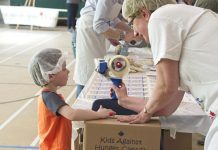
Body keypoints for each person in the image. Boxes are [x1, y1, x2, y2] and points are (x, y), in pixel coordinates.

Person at [111, 0, 218, 150]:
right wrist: (125, 101)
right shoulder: (177, 20)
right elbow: (167, 107)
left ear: (144, 13)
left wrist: (144, 114)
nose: (134, 33)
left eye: (131, 23)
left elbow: (166, 87)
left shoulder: (159, 18)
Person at [28, 48, 115, 150]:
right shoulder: (49, 97)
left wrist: (92, 112)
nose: (68, 71)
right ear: (51, 76)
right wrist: (98, 114)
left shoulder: (49, 95)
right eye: (64, 68)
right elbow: (72, 114)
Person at [73, 0, 138, 98]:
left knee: (99, 66)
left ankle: (92, 100)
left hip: (97, 27)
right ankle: (80, 104)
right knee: (88, 70)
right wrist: (122, 37)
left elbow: (112, 19)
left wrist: (132, 31)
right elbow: (99, 24)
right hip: (89, 28)